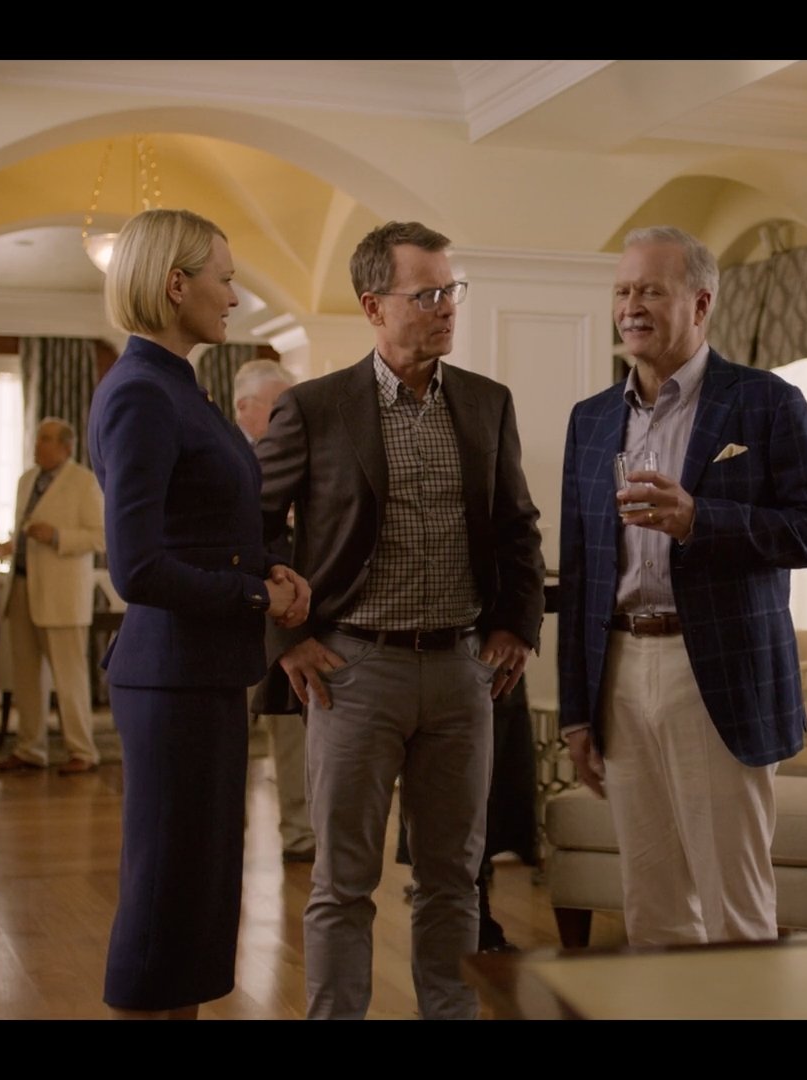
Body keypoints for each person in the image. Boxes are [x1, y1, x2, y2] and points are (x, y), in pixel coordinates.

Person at [257, 221, 545, 1020]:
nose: (446, 307)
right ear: (373, 306)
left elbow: (518, 527)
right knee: (343, 880)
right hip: (353, 671)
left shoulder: (486, 403)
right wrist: (289, 638)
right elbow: (256, 525)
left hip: (461, 672)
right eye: (427, 294)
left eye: (451, 291)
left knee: (455, 877)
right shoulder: (315, 408)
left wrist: (516, 625)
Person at [559, 225, 807, 946]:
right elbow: (581, 568)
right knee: (650, 905)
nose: (631, 306)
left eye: (651, 291)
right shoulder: (591, 420)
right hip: (620, 672)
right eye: (623, 291)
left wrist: (699, 519)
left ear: (702, 302)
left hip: (717, 670)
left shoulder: (767, 402)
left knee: (734, 906)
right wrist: (576, 710)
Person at [88, 207, 311, 1019]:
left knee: (191, 906)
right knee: (165, 908)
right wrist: (256, 595)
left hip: (202, 672)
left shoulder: (176, 387)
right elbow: (138, 566)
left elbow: (204, 527)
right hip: (171, 678)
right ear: (176, 285)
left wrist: (265, 564)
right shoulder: (141, 393)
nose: (235, 296)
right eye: (225, 278)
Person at [231, 358, 314, 864]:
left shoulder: (298, 455)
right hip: (237, 615)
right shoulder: (226, 455)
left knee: (292, 727)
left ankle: (301, 834)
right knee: (232, 733)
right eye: (279, 406)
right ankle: (227, 833)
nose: (290, 415)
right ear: (245, 407)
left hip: (289, 616)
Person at [0, 418, 106, 775]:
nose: (37, 445)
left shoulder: (84, 482)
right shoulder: (26, 480)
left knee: (69, 677)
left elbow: (101, 536)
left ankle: (82, 751)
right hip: (21, 588)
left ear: (66, 447)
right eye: (38, 438)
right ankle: (30, 748)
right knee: (26, 676)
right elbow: (25, 530)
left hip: (62, 595)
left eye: (46, 439)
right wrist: (11, 546)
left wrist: (57, 536)